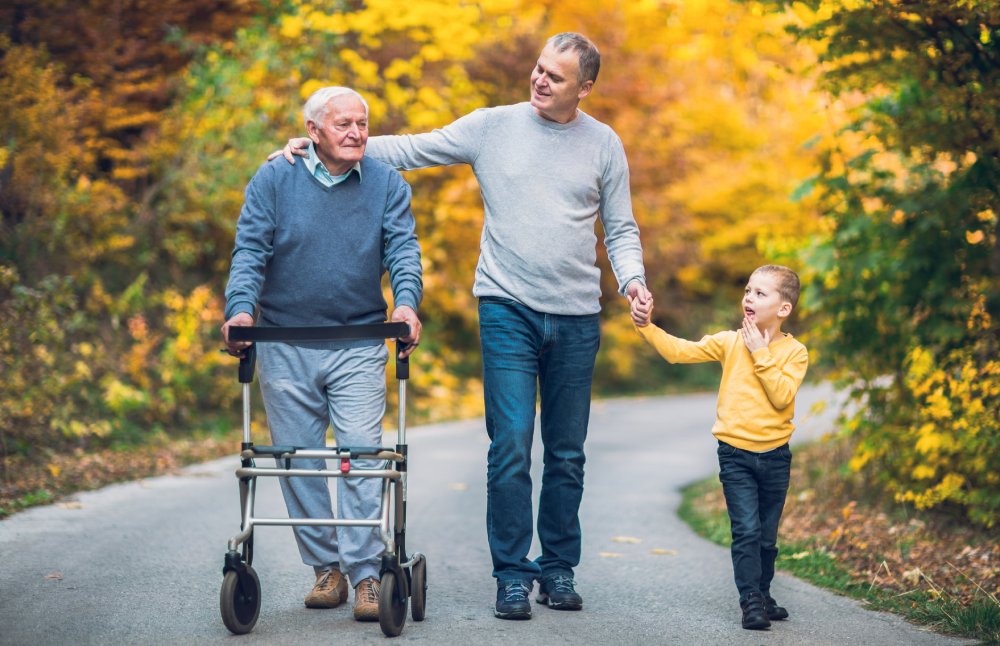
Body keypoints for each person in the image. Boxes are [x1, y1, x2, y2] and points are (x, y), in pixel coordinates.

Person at [273, 32, 650, 620]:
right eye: (539, 68)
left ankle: (557, 568)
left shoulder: (603, 144)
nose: (540, 80)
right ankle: (512, 575)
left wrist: (632, 281)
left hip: (577, 315)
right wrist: (323, 145)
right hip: (505, 307)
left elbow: (620, 228)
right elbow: (408, 150)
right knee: (508, 448)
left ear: (585, 87)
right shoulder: (492, 126)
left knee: (567, 452)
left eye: (556, 75)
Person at [222, 86, 423, 622]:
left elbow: (403, 249)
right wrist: (241, 310)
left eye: (362, 123)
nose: (357, 133)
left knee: (359, 454)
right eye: (344, 124)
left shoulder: (386, 183)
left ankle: (364, 577)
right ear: (313, 131)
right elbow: (250, 249)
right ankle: (325, 569)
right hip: (283, 340)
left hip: (358, 340)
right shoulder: (274, 177)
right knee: (298, 460)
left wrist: (405, 304)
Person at [629, 265, 808, 631]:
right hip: (735, 454)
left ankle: (763, 592)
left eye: (760, 293)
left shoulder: (795, 353)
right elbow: (680, 352)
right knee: (745, 530)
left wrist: (761, 353)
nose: (749, 298)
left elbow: (781, 396)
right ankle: (750, 602)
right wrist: (646, 326)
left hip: (775, 456)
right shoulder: (730, 342)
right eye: (747, 291)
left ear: (784, 308)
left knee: (767, 536)